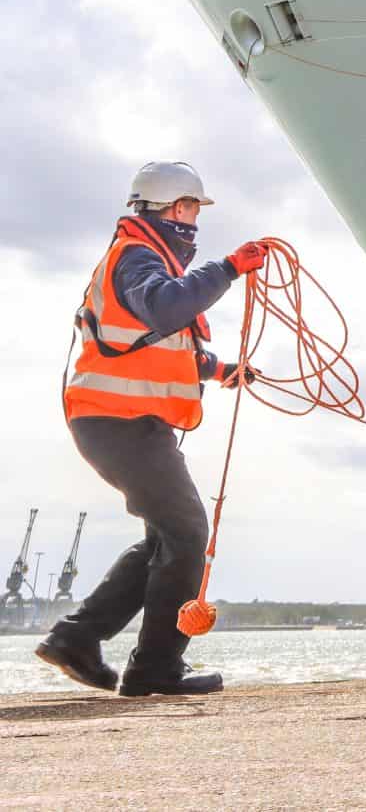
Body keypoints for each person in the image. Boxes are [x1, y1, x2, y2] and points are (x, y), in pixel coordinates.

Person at [36, 162, 268, 697]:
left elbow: (152, 345)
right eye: (189, 209)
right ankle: (154, 668)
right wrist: (230, 267)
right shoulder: (137, 259)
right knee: (187, 533)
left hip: (118, 423)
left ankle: (76, 639)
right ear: (168, 210)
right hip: (119, 423)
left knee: (166, 538)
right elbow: (167, 307)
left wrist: (218, 371)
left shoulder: (143, 258)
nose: (194, 222)